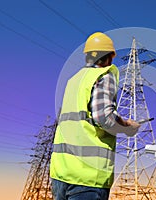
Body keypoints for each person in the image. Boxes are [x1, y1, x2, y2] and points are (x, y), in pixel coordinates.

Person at [50, 32, 141, 200]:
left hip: (60, 174)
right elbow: (104, 117)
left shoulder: (74, 80)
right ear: (110, 57)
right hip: (87, 178)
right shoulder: (104, 75)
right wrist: (127, 127)